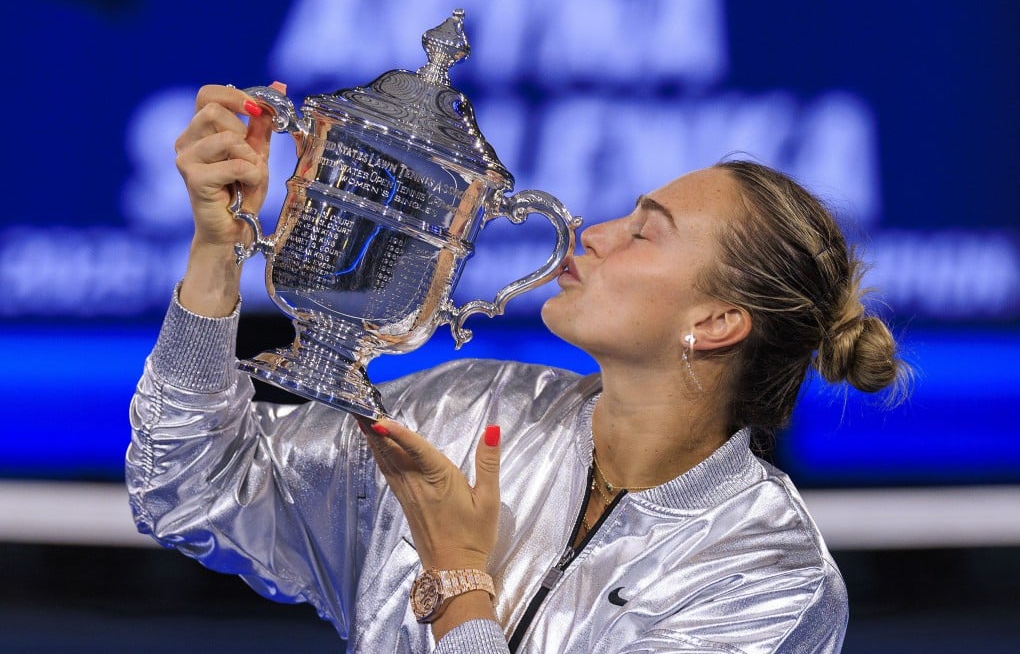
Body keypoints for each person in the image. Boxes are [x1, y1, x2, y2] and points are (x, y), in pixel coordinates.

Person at [127, 84, 909, 653]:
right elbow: (190, 485)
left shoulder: (768, 576)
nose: (593, 233)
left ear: (715, 323)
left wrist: (460, 581)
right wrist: (216, 251)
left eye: (645, 234)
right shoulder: (471, 408)